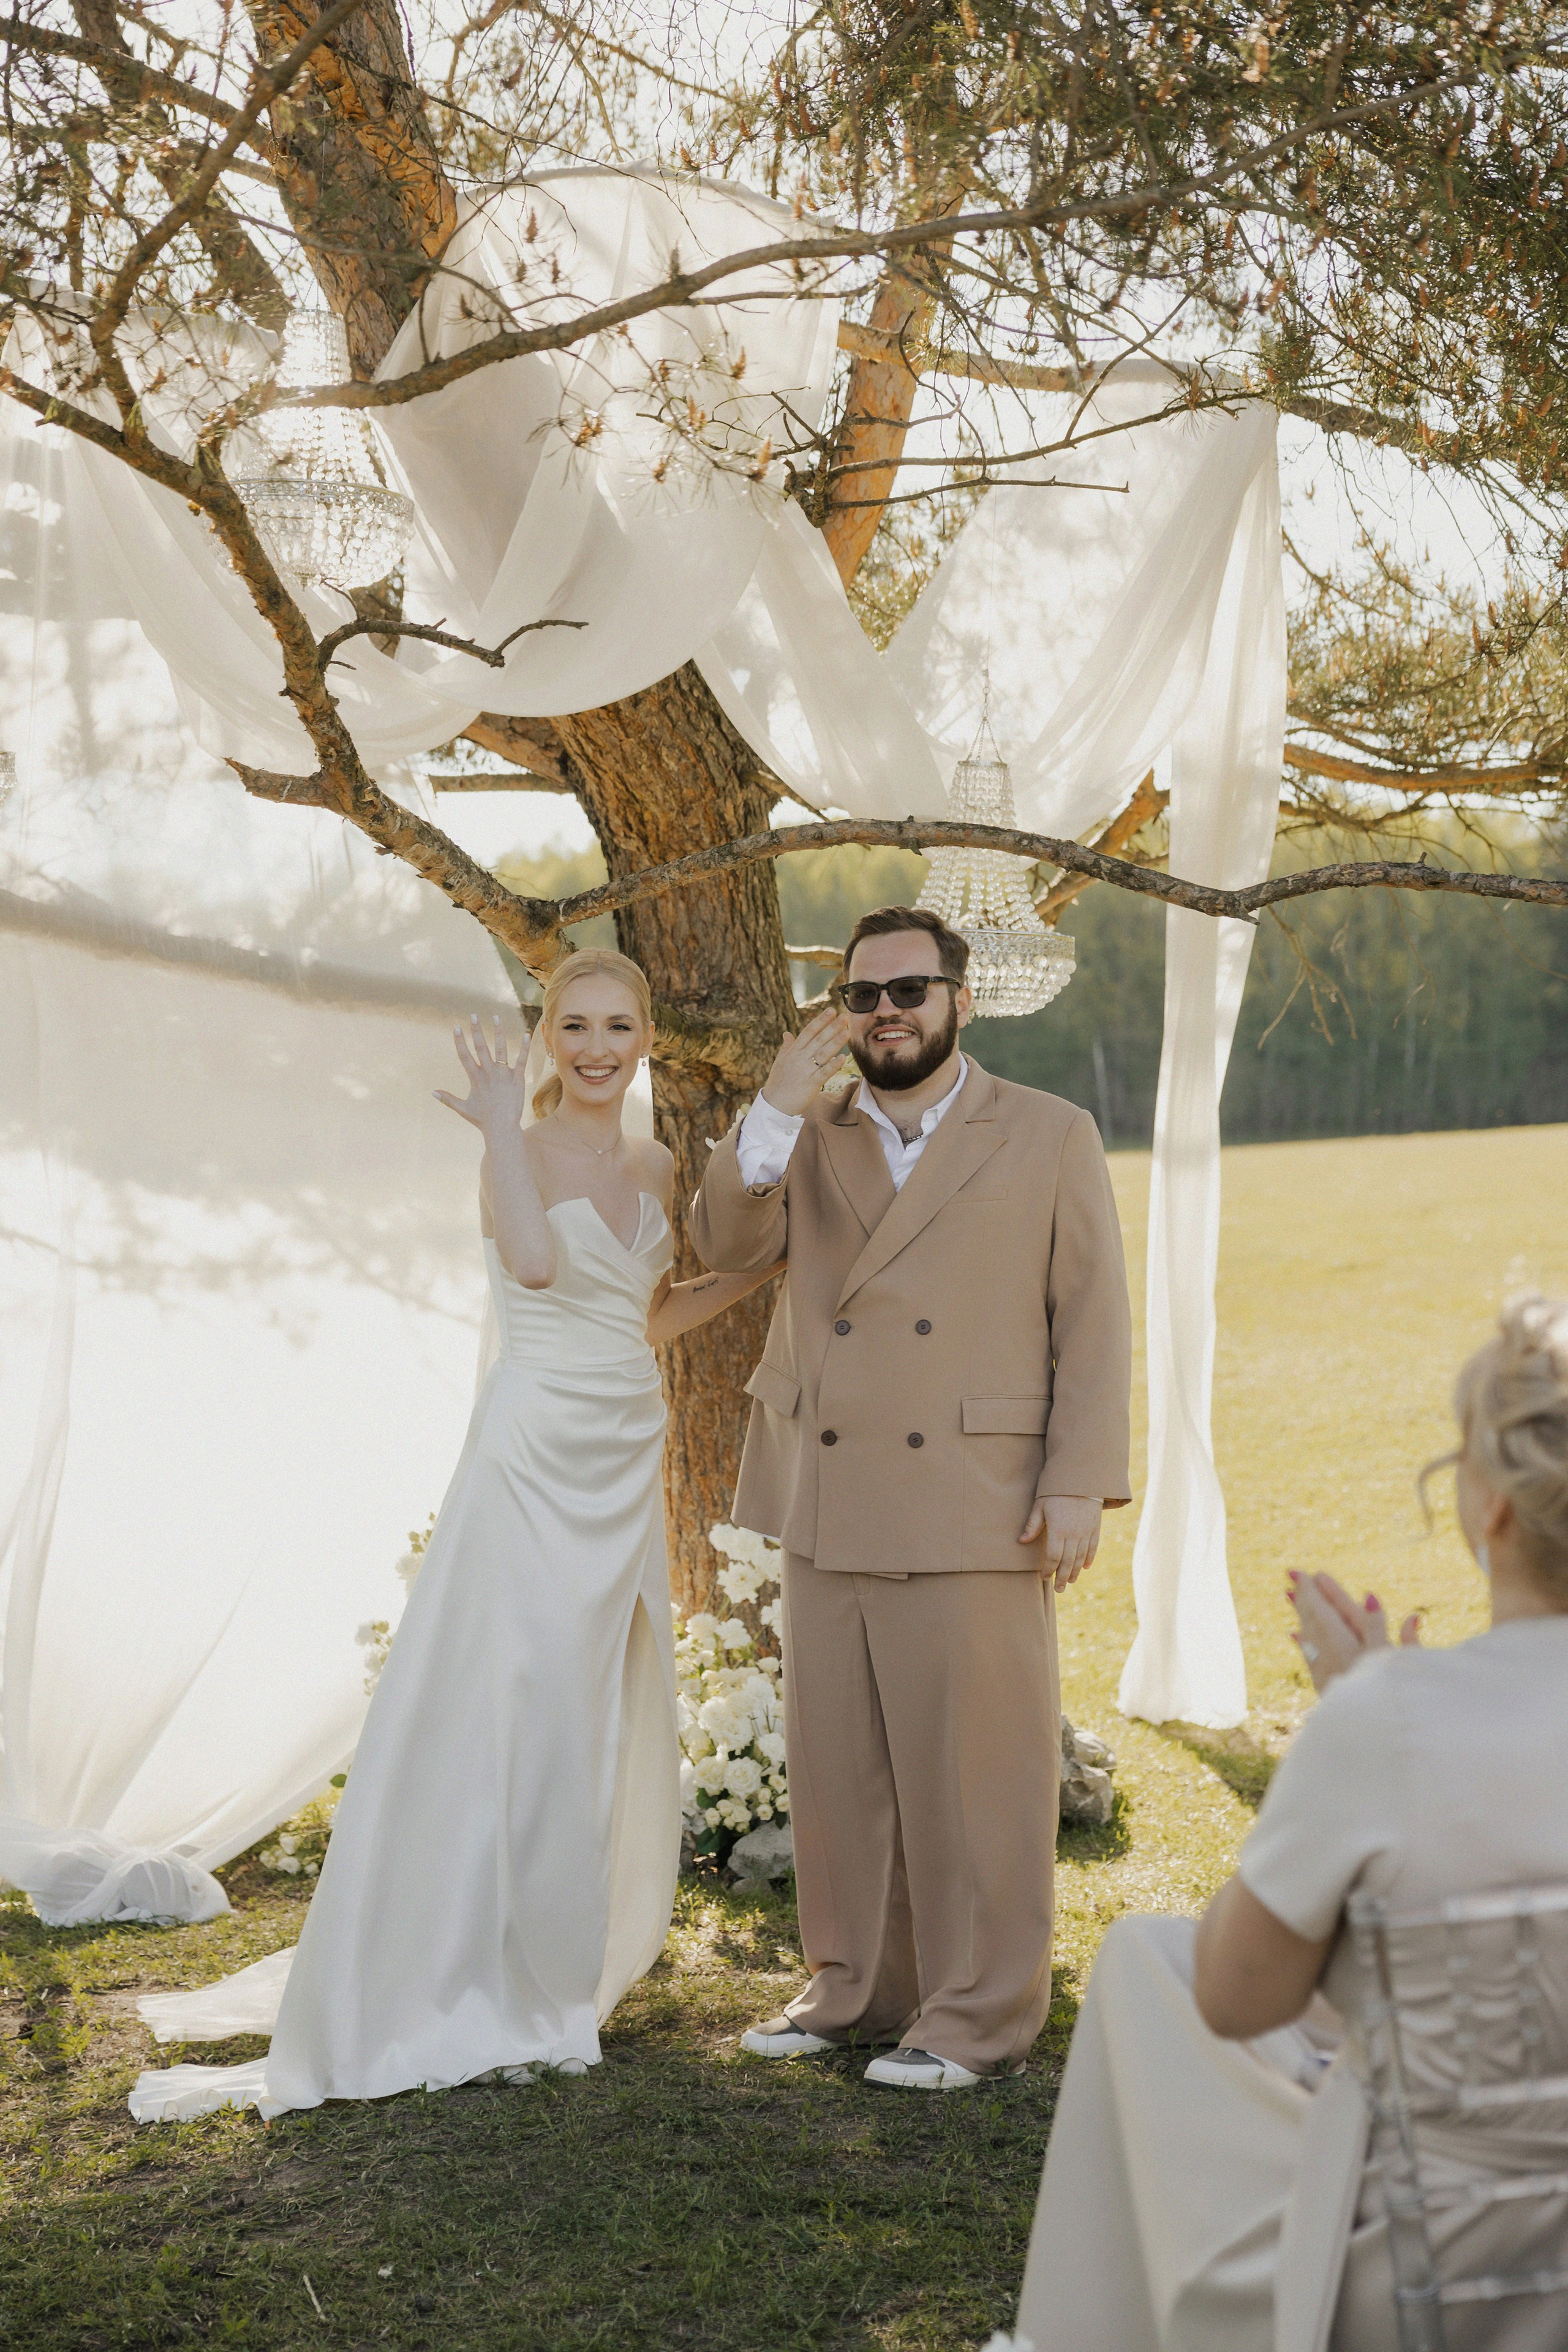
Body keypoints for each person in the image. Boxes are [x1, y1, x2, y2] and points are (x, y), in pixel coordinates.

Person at [129, 950, 775, 2120]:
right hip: (533, 1458)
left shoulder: (656, 1159)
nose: (595, 1045)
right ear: (547, 1037)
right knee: (511, 1686)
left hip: (626, 1448)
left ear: (645, 1038)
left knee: (586, 1696)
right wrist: (493, 1126)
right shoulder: (513, 1152)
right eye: (573, 1024)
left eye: (617, 1025)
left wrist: (757, 1270)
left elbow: (650, 1316)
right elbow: (534, 1268)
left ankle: (553, 1934)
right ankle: (465, 1951)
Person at [1009, 1293, 1568, 2352]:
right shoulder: (1396, 1716)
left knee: (1149, 1968)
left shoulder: (1388, 1725)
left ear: (1492, 1506)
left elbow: (1235, 1995)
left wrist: (1354, 1728)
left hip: (1428, 2274)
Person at [690, 903, 1133, 2090]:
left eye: (908, 991)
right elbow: (723, 1244)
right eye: (862, 995)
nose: (884, 1013)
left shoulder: (1048, 1133)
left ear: (959, 1000)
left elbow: (1090, 1320)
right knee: (840, 1772)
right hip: (829, 1487)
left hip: (977, 1495)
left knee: (976, 1775)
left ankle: (978, 2016)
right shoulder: (806, 1131)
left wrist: (1080, 1479)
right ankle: (851, 1991)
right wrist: (774, 1106)